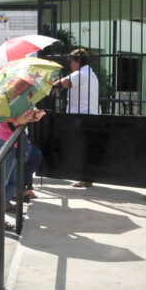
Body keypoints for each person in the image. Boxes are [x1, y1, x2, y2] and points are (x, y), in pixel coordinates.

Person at [0, 109, 44, 231]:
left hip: (13, 145)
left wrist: (34, 116)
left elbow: (21, 119)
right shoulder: (9, 101)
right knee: (1, 180)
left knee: (13, 182)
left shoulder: (21, 100)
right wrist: (30, 116)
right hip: (3, 143)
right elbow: (18, 120)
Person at [53, 48, 99, 188]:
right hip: (88, 116)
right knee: (86, 148)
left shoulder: (81, 74)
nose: (70, 65)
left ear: (77, 61)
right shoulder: (90, 74)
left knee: (81, 148)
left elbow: (66, 82)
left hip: (82, 118)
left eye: (71, 61)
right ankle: (86, 178)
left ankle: (83, 178)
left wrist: (54, 84)